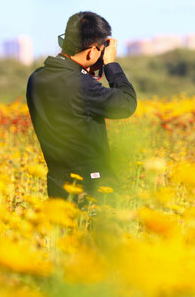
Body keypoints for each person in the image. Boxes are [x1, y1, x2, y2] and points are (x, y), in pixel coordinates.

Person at [26, 11, 137, 200]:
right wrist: (110, 64)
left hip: (57, 185)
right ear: (92, 50)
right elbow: (126, 103)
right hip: (92, 187)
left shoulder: (36, 78)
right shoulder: (80, 84)